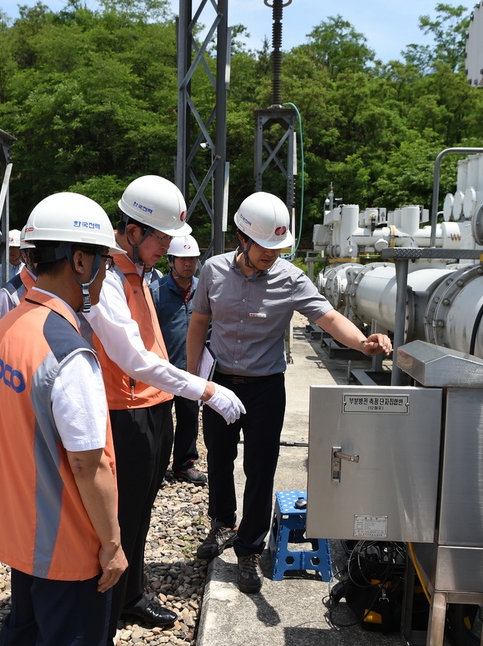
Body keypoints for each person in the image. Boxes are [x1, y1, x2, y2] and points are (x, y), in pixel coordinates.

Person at [186, 191, 392, 595]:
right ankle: (222, 522)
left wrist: (362, 341)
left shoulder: (291, 278)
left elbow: (329, 317)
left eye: (278, 247)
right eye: (264, 246)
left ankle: (249, 548)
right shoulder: (213, 271)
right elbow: (198, 325)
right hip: (220, 382)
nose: (271, 254)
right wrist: (197, 382)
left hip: (265, 388)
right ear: (243, 238)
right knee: (221, 458)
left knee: (261, 468)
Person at [0, 192, 128, 645]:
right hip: (67, 545)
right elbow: (88, 464)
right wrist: (112, 545)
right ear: (78, 261)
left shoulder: (11, 326)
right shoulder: (69, 352)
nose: (108, 272)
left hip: (25, 531)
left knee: (25, 628)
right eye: (104, 262)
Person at [83, 174, 245, 636]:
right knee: (119, 517)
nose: (167, 250)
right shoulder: (106, 276)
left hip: (152, 406)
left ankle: (130, 594)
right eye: (161, 240)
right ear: (132, 231)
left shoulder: (139, 272)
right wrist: (206, 389)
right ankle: (104, 617)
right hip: (123, 412)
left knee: (141, 511)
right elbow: (132, 356)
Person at [149, 234, 206, 485]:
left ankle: (184, 464)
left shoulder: (203, 289)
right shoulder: (156, 292)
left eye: (192, 259)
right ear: (171, 261)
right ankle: (157, 469)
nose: (188, 264)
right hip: (163, 369)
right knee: (160, 422)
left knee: (189, 417)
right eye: (182, 259)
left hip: (191, 368)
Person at [0, 228, 37, 328]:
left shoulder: (28, 271)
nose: (12, 251)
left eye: (15, 248)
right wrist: (3, 297)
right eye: (10, 247)